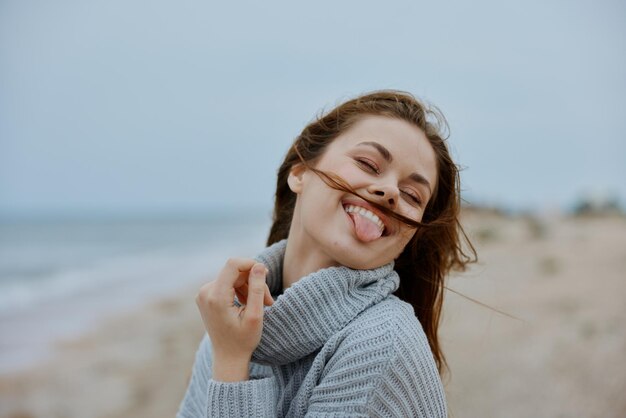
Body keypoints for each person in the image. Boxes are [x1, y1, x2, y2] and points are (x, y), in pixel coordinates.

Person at [177, 90, 475, 417]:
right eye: (367, 163)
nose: (390, 191)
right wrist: (228, 351)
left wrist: (232, 365)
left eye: (412, 195)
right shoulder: (229, 326)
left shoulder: (382, 343)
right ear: (300, 172)